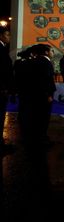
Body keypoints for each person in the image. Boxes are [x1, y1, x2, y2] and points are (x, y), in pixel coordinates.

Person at [0, 27, 15, 156]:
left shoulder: (3, 48)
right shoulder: (0, 49)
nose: (9, 37)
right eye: (7, 34)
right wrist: (5, 88)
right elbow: (3, 71)